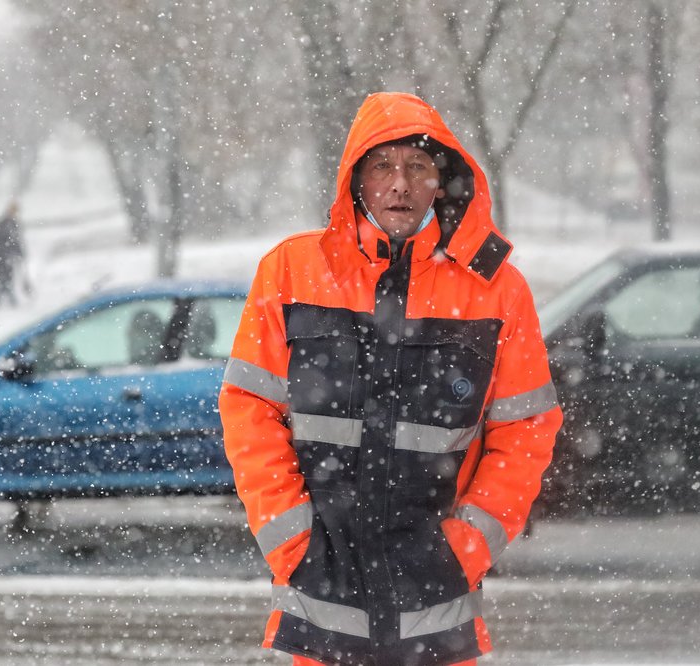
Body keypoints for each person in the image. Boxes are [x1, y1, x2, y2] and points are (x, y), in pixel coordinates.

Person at [218, 92, 563, 666]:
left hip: (438, 606)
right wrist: (293, 539)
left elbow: (526, 432)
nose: (399, 183)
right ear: (356, 180)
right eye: (382, 166)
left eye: (417, 166)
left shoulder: (497, 289)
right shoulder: (292, 271)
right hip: (317, 601)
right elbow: (249, 410)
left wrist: (467, 545)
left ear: (442, 180)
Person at [0, 201, 25, 306]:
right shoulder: (6, 223)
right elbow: (3, 239)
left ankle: (1, 298)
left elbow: (15, 241)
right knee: (4, 277)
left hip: (4, 255)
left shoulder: (11, 223)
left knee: (5, 277)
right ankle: (6, 299)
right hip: (2, 255)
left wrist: (19, 252)